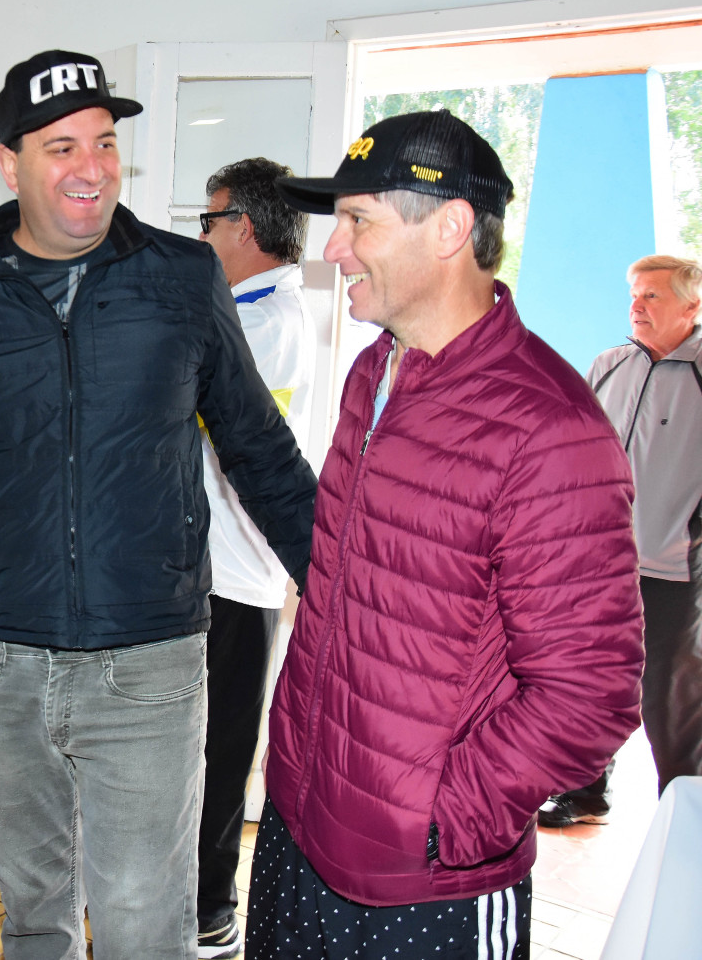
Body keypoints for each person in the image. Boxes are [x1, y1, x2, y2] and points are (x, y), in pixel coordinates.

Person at [0, 50, 317, 960]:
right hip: (0, 661)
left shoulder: (183, 279)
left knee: (143, 925)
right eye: (62, 145)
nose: (92, 166)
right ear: (10, 163)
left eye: (106, 142)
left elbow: (258, 446)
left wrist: (339, 582)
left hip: (148, 660)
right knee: (37, 917)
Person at [251, 111, 644, 959]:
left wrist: (443, 819)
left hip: (424, 879)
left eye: (358, 221)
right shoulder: (372, 371)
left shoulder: (549, 429)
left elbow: (592, 691)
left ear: (450, 229)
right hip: (302, 818)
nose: (333, 248)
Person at [193, 158, 314, 959]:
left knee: (217, 755)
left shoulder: (264, 324)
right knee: (200, 752)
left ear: (243, 226)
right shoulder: (251, 312)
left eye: (208, 221)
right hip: (220, 568)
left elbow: (226, 443)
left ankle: (208, 912)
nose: (202, 237)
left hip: (235, 573)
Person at [539, 254, 702, 826]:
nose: (637, 305)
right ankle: (586, 791)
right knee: (592, 682)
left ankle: (683, 817)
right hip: (601, 564)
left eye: (653, 295)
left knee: (669, 698)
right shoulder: (609, 365)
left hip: (677, 568)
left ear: (692, 305)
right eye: (634, 294)